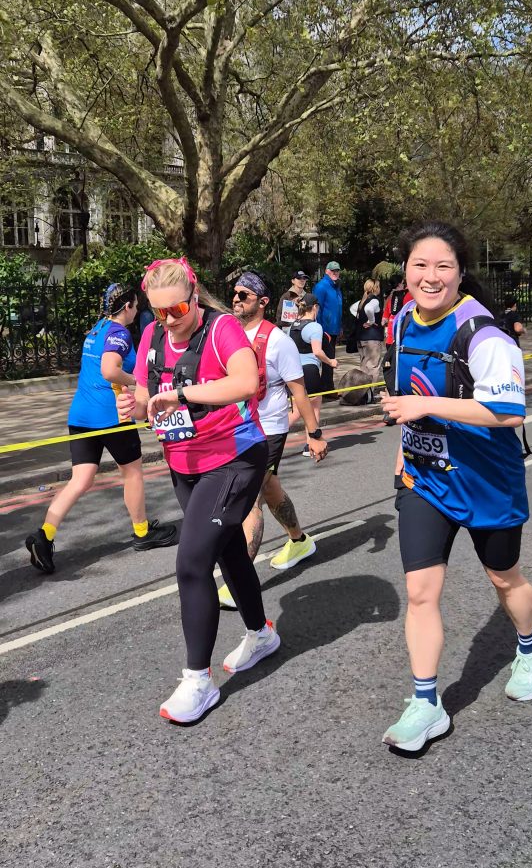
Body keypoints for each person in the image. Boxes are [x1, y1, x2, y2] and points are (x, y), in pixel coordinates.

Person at [380, 221, 532, 752]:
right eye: (420, 265)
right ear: (405, 269)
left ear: (460, 273)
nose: (430, 276)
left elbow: (507, 411)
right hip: (426, 480)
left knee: (504, 578)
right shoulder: (403, 320)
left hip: (487, 484)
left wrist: (425, 405)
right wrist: (405, 448)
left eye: (444, 266)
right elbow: (407, 393)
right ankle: (425, 703)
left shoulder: (483, 333)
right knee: (420, 592)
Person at [117, 257, 279, 725]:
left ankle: (198, 681)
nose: (169, 319)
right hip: (183, 461)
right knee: (228, 552)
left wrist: (183, 394)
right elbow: (147, 398)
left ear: (194, 294)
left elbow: (246, 382)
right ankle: (261, 634)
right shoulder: (152, 336)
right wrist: (135, 405)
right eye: (159, 311)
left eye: (178, 309)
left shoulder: (221, 327)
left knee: (191, 562)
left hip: (234, 458)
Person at [24, 283, 176, 575]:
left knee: (80, 480)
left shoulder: (97, 329)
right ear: (127, 307)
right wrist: (136, 381)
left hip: (81, 416)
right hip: (112, 416)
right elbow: (109, 370)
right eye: (136, 305)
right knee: (132, 473)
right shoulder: (119, 333)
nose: (137, 310)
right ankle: (142, 532)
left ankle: (45, 535)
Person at [217, 271, 328, 609]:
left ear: (263, 302)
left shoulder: (278, 341)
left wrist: (314, 434)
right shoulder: (230, 332)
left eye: (244, 295)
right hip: (238, 426)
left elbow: (299, 391)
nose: (236, 298)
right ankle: (299, 540)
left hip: (268, 428)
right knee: (269, 487)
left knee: (248, 500)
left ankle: (238, 582)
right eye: (235, 292)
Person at [289, 293, 338, 454]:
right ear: (315, 307)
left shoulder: (293, 325)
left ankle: (309, 443)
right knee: (312, 408)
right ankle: (311, 443)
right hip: (310, 370)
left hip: (294, 371)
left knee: (298, 408)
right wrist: (330, 362)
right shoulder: (315, 327)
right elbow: (317, 351)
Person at [313, 260, 343, 395]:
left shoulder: (336, 287)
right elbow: (316, 309)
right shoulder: (321, 287)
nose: (335, 273)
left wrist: (339, 326)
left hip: (333, 328)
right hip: (325, 329)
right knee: (328, 359)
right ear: (327, 271)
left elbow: (338, 309)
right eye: (333, 270)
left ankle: (325, 387)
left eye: (337, 270)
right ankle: (327, 388)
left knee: (330, 358)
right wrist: (320, 329)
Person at [356, 278, 384, 382]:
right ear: (376, 288)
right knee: (372, 366)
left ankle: (363, 389)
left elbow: (353, 310)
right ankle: (370, 390)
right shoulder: (374, 300)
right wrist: (371, 321)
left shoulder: (362, 301)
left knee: (364, 366)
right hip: (372, 338)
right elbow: (369, 309)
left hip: (362, 337)